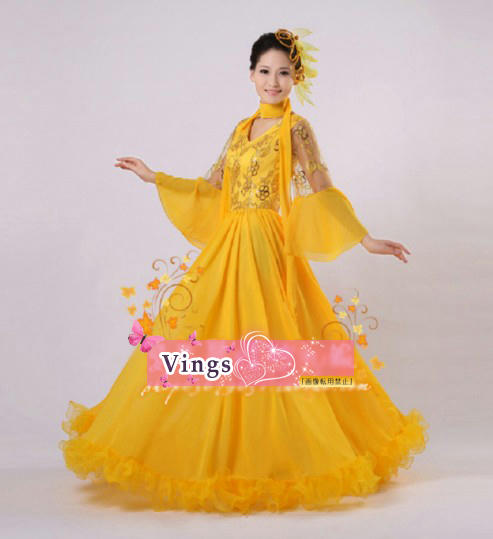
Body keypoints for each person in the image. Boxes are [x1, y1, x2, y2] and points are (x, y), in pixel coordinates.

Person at [59, 28, 429, 514]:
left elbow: (320, 188)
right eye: (265, 72)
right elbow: (212, 186)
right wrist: (155, 177)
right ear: (251, 75)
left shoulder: (297, 129)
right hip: (229, 245)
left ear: (295, 78)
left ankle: (290, 452)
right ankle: (214, 454)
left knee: (280, 340)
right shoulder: (240, 129)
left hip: (268, 247)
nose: (273, 81)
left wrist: (365, 238)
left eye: (283, 73)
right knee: (195, 333)